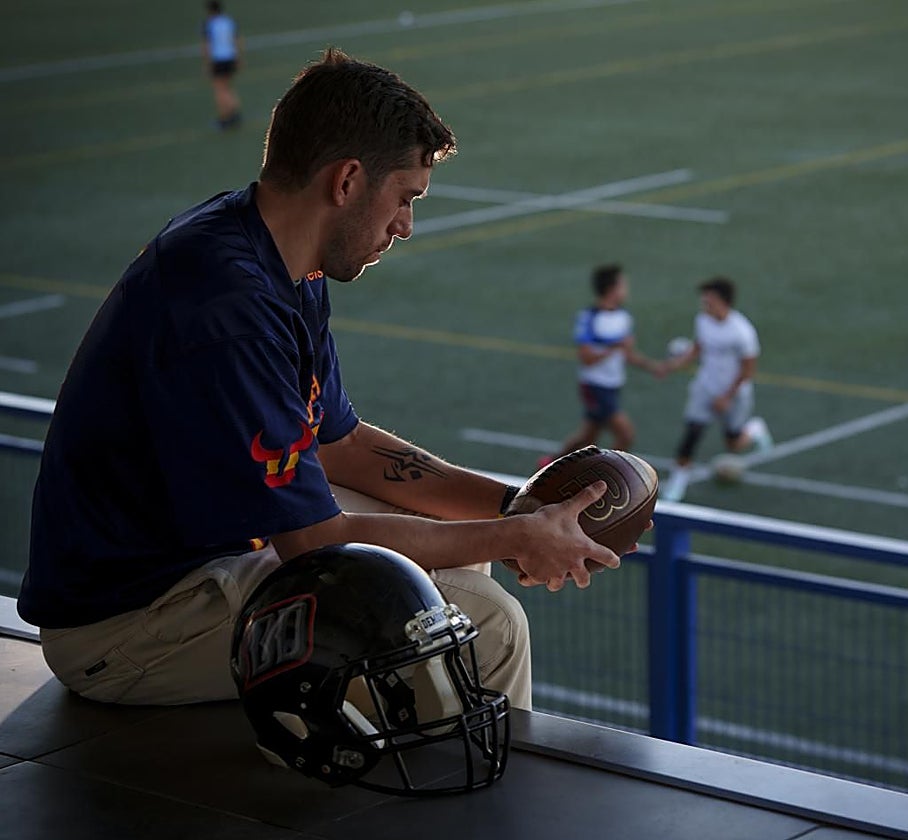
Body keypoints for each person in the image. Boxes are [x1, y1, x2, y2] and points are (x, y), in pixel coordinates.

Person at [17, 49, 626, 711]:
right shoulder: (229, 304)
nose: (406, 226)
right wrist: (512, 538)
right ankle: (476, 808)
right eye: (404, 198)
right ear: (347, 181)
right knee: (485, 622)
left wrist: (517, 508)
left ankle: (398, 760)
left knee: (452, 567)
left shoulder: (273, 257)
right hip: (131, 626)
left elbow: (340, 445)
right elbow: (314, 543)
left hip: (194, 566)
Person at [659, 278, 772, 503]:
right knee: (692, 432)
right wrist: (673, 366)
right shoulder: (702, 320)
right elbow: (698, 348)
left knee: (733, 443)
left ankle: (755, 429)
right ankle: (678, 480)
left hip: (734, 394)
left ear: (723, 301)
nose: (704, 302)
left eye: (708, 298)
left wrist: (726, 397)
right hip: (705, 388)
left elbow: (748, 370)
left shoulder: (742, 332)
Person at [543, 264, 663, 465]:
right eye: (623, 285)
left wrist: (653, 367)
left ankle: (551, 463)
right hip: (595, 385)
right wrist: (615, 345)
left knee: (587, 437)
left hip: (613, 385)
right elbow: (586, 358)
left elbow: (627, 355)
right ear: (612, 289)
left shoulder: (624, 317)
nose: (626, 290)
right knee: (626, 435)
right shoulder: (589, 318)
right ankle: (605, 474)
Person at [202, 1, 242, 129]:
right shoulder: (228, 21)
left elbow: (208, 45)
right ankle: (234, 112)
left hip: (218, 59)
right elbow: (236, 40)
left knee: (219, 89)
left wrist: (208, 63)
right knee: (227, 87)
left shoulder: (209, 24)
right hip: (230, 57)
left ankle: (225, 117)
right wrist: (238, 57)